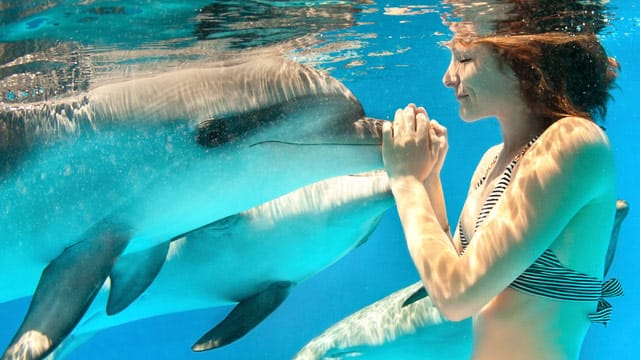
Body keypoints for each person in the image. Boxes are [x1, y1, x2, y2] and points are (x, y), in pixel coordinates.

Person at [380, 1, 622, 359]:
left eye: (463, 58)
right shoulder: (492, 161)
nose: (448, 77)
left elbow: (456, 296)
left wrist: (405, 182)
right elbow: (454, 271)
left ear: (521, 59)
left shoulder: (573, 140)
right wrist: (427, 178)